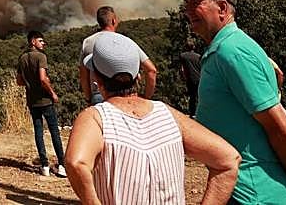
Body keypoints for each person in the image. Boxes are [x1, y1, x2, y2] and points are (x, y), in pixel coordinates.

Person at [168, 0, 286, 204]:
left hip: (255, 194)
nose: (187, 10)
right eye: (186, 3)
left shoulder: (232, 52)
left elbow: (282, 131)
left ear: (222, 8)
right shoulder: (226, 49)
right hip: (246, 189)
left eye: (195, 2)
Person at [65, 32, 241, 205]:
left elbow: (76, 163)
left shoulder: (96, 118)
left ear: (96, 79)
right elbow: (228, 160)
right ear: (138, 77)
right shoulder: (168, 114)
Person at [78, 6, 157, 103]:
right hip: (127, 94)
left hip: (99, 94)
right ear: (114, 21)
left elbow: (83, 74)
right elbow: (151, 70)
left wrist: (89, 98)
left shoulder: (88, 42)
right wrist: (146, 97)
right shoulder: (125, 41)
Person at [15, 31, 66, 177]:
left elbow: (19, 81)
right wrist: (52, 93)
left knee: (38, 131)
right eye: (41, 41)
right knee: (54, 131)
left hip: (32, 100)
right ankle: (62, 165)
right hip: (45, 100)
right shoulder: (41, 57)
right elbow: (43, 79)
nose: (44, 43)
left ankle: (44, 166)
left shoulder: (22, 58)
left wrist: (30, 84)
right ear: (33, 41)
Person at [179, 46, 202, 116]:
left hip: (190, 78)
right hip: (199, 78)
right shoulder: (199, 57)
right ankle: (200, 113)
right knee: (199, 96)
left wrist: (184, 77)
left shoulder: (183, 56)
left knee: (192, 97)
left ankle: (192, 113)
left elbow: (182, 69)